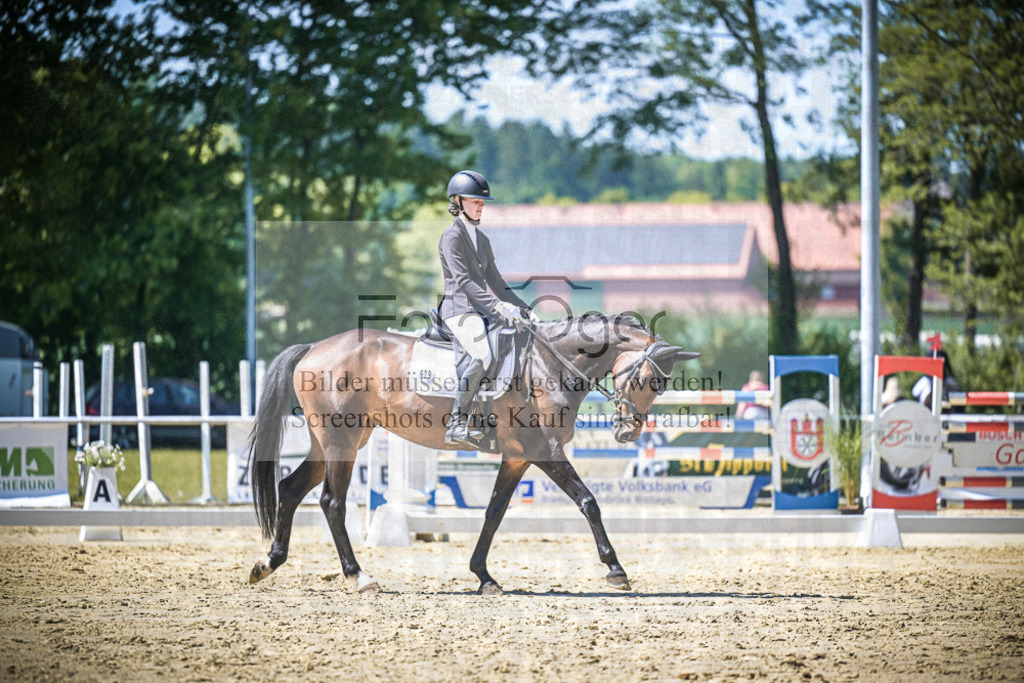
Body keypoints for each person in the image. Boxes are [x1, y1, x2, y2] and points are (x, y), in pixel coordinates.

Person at [438, 170, 537, 447]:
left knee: (512, 344)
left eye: (483, 202)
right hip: (458, 309)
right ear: (457, 201)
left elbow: (496, 280)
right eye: (475, 201)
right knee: (482, 355)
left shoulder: (482, 240)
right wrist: (497, 306)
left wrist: (525, 309)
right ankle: (457, 423)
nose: (481, 206)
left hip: (481, 310)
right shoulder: (452, 236)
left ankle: (488, 419)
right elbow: (463, 281)